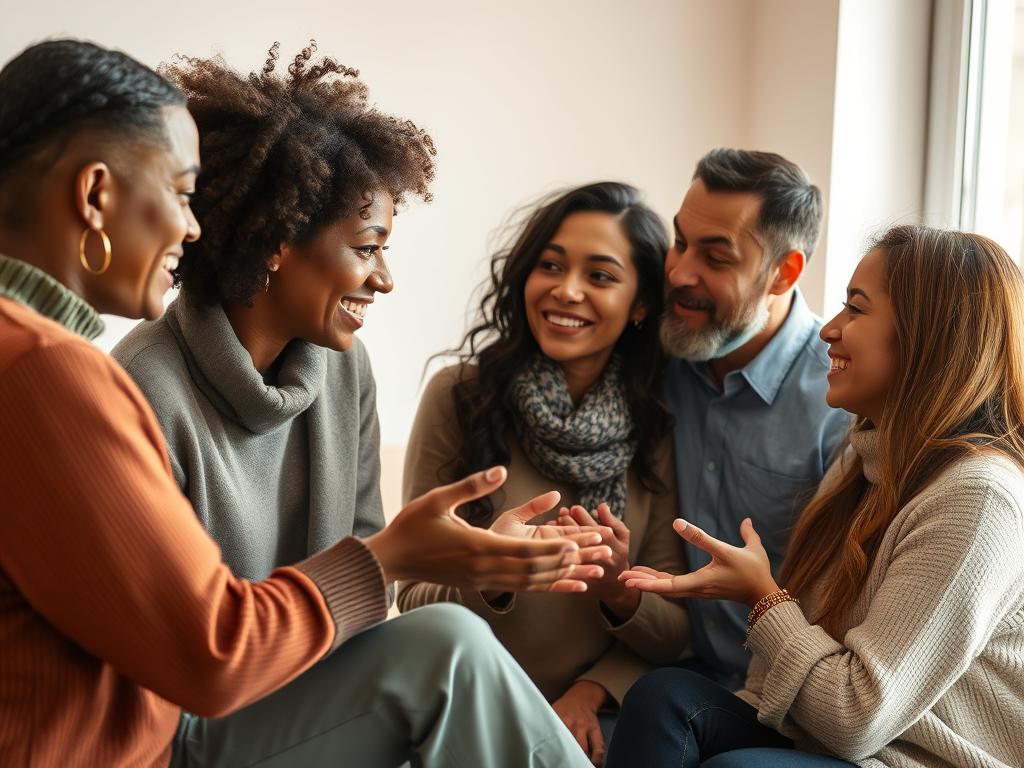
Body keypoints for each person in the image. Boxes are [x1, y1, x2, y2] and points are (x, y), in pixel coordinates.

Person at [0, 39, 610, 768]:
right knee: (446, 650)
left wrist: (451, 562)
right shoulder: (53, 373)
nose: (194, 228)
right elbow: (208, 652)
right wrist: (387, 557)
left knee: (445, 645)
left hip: (249, 693)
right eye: (182, 193)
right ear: (97, 195)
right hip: (169, 730)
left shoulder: (47, 365)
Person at [606, 225, 1024, 768]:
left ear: (928, 335)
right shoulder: (862, 457)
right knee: (664, 698)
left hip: (906, 757)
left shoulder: (979, 499)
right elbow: (778, 690)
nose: (829, 329)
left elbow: (857, 720)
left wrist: (762, 597)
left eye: (856, 309)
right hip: (827, 737)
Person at [398, 182, 691, 765]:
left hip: (586, 724)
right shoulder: (458, 397)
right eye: (550, 266)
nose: (567, 290)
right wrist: (495, 572)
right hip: (462, 706)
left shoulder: (656, 426)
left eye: (601, 276)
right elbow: (410, 596)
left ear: (639, 304)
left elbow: (673, 633)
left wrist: (612, 609)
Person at [660, 148, 849, 687]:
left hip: (789, 703)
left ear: (782, 273)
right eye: (679, 242)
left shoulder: (842, 405)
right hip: (673, 670)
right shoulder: (662, 355)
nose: (679, 271)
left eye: (716, 258)